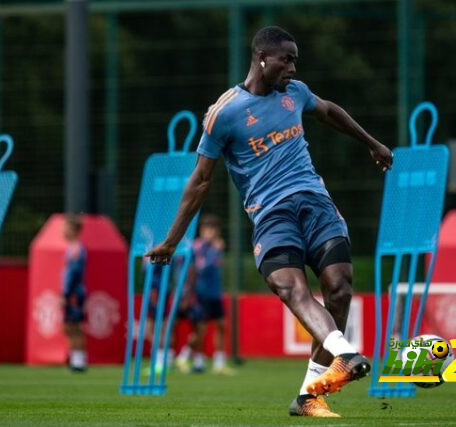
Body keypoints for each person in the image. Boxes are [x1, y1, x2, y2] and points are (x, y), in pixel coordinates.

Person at [145, 26, 393, 417]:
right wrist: (172, 240)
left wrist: (372, 142)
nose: (293, 68)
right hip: (271, 213)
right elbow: (201, 180)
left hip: (316, 203)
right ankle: (344, 354)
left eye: (295, 60)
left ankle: (310, 396)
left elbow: (328, 111)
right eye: (287, 59)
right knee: (290, 288)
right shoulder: (224, 113)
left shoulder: (294, 94)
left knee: (340, 288)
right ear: (262, 58)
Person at [175, 214, 232, 374]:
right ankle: (184, 356)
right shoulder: (198, 247)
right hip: (201, 293)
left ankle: (219, 364)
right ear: (202, 231)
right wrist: (215, 251)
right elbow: (201, 268)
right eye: (208, 229)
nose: (211, 232)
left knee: (221, 326)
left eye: (214, 229)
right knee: (200, 329)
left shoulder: (215, 246)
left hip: (215, 293)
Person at [62, 215, 87, 372]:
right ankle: (76, 360)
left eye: (65, 228)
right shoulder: (71, 248)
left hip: (74, 294)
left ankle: (79, 362)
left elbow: (74, 273)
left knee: (74, 326)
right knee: (69, 327)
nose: (63, 231)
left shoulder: (77, 249)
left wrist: (66, 294)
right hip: (72, 292)